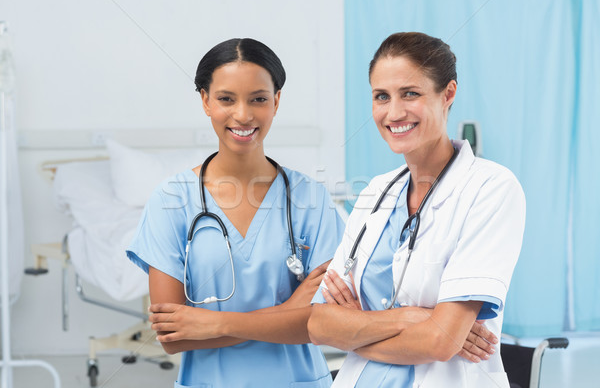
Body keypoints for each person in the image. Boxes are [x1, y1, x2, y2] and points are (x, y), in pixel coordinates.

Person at [307, 32, 526, 387]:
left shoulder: (491, 189)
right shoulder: (375, 193)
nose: (394, 112)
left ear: (448, 94)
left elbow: (441, 342)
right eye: (382, 96)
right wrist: (413, 317)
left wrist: (356, 329)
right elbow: (318, 326)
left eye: (411, 93)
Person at [127, 38, 344, 388]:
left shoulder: (311, 200)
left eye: (258, 99)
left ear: (276, 100)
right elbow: (173, 338)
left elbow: (327, 323)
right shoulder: (171, 201)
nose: (243, 115)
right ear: (205, 101)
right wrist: (291, 310)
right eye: (226, 99)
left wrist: (216, 324)